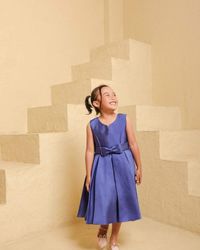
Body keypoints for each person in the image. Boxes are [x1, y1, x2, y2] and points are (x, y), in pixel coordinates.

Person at [77, 84, 142, 250]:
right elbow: (90, 151)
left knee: (120, 202)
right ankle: (103, 228)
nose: (113, 97)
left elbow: (133, 144)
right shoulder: (92, 125)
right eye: (107, 95)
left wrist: (139, 167)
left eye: (114, 94)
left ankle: (114, 239)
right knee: (105, 199)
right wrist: (89, 174)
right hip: (102, 165)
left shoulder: (124, 119)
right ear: (97, 103)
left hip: (123, 164)